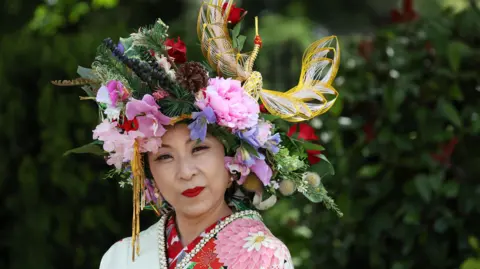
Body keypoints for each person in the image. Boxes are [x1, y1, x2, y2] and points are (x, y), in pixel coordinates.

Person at [55, 1, 342, 268]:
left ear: (233, 162)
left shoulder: (264, 256)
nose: (185, 172)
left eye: (200, 149)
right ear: (147, 171)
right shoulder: (121, 258)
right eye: (164, 156)